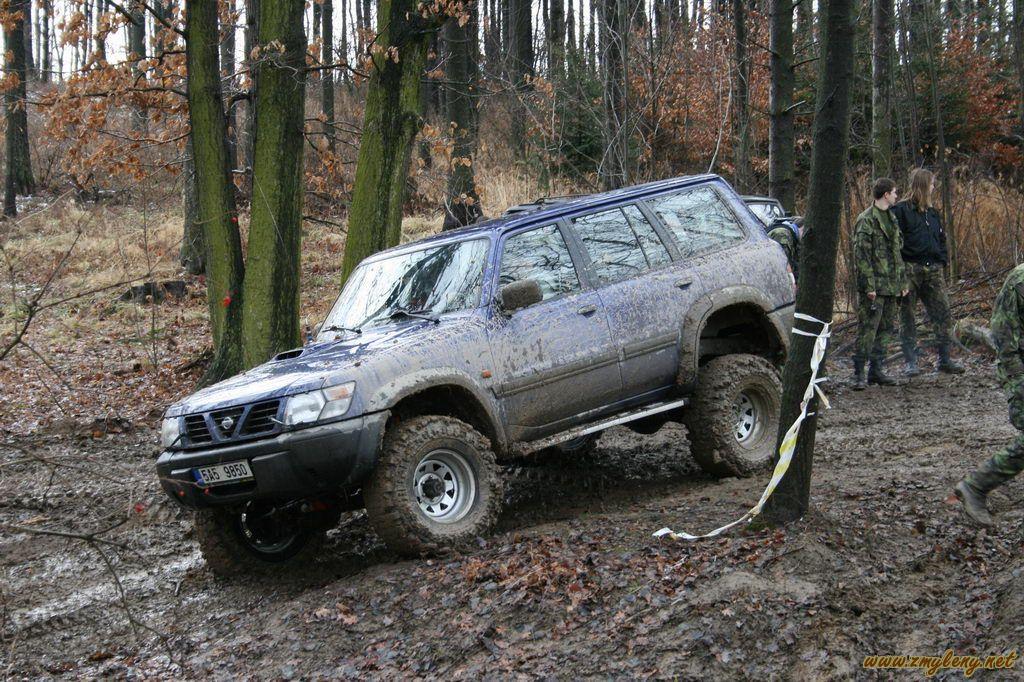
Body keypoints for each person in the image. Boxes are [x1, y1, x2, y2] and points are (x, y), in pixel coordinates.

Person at [955, 264, 1024, 527]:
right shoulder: (1019, 282)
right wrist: (1018, 381)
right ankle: (975, 487)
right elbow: (1004, 338)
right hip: (1018, 368)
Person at [891, 168, 964, 376]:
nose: (933, 187)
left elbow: (941, 238)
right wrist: (899, 270)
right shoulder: (900, 211)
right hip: (910, 270)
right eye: (931, 184)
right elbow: (893, 243)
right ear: (923, 185)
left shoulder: (933, 213)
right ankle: (911, 362)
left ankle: (945, 359)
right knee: (907, 316)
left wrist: (942, 259)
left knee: (943, 313)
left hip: (933, 270)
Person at [851, 178, 909, 391]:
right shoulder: (866, 220)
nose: (896, 196)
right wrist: (869, 286)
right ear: (886, 194)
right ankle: (858, 373)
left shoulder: (891, 218)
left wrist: (902, 282)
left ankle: (876, 370)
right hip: (874, 286)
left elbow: (897, 253)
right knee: (867, 330)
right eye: (894, 192)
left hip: (891, 285)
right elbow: (862, 256)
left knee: (886, 329)